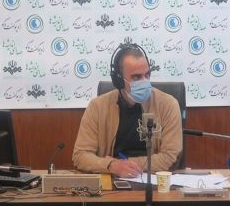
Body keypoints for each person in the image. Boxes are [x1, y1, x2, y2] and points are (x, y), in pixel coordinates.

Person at [73, 44, 182, 177]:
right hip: (111, 178)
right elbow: (80, 156)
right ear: (119, 80)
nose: (144, 82)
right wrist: (111, 165)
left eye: (147, 75)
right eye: (136, 77)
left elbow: (170, 157)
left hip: (153, 179)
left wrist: (123, 164)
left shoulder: (168, 104)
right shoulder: (97, 107)